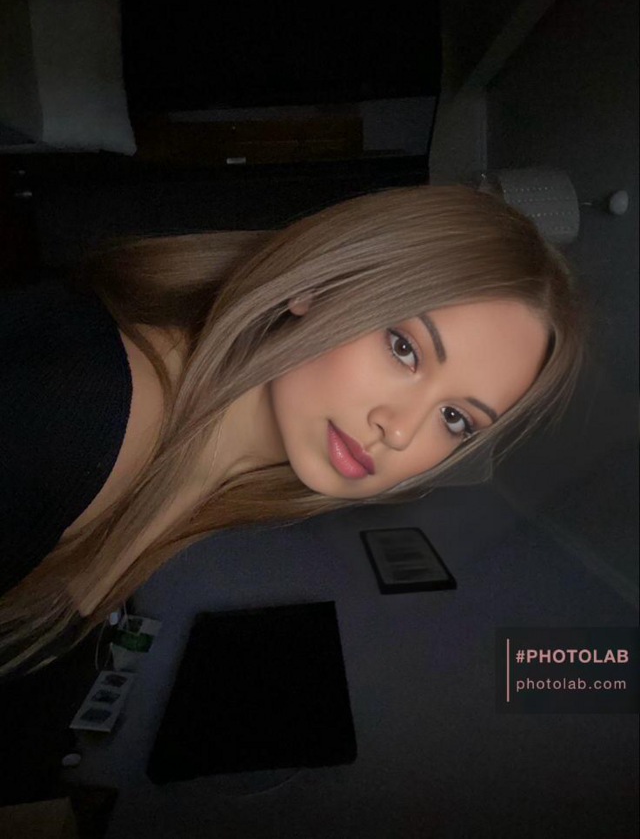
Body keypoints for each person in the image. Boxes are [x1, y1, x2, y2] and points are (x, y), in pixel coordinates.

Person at [0, 184, 585, 679]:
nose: (400, 432)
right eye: (404, 348)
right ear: (314, 286)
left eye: (455, 418)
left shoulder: (216, 478)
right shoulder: (68, 399)